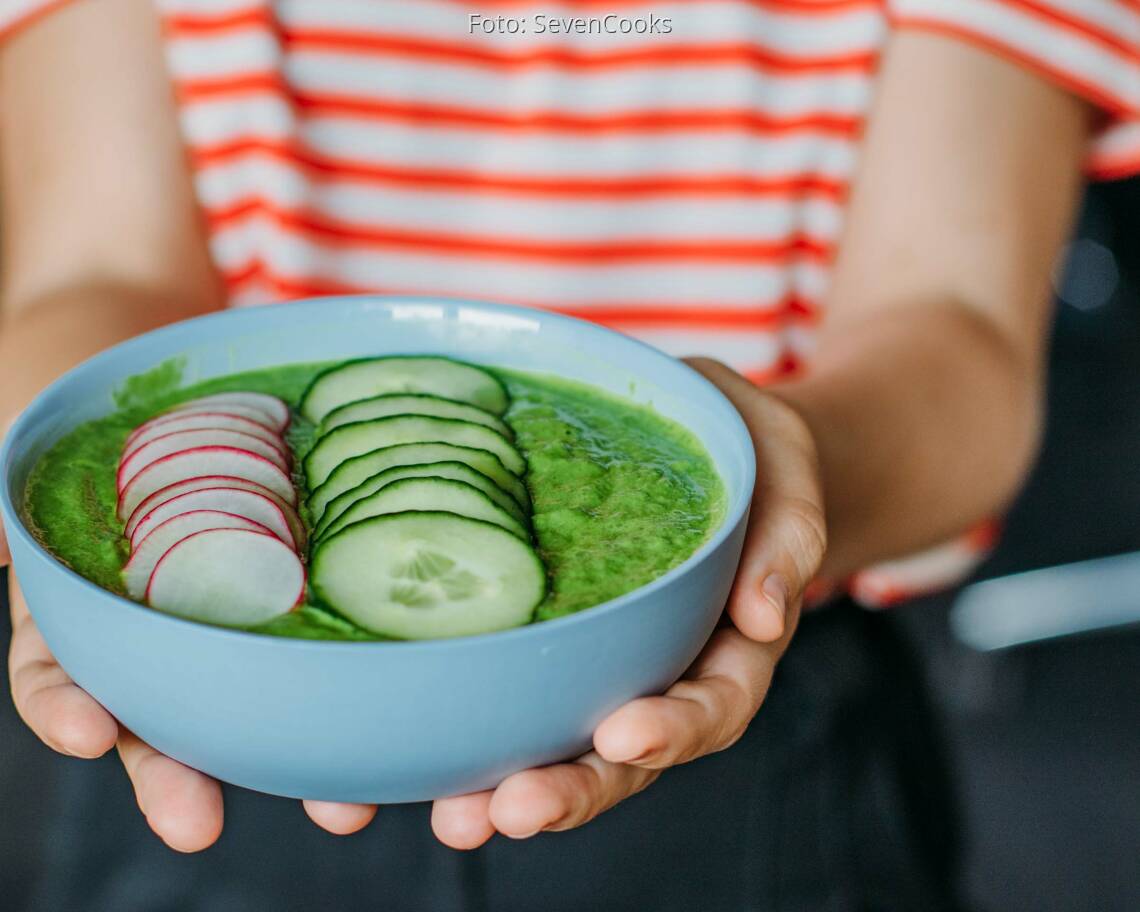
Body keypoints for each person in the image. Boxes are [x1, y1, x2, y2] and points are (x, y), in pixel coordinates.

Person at [1, 1, 1137, 909]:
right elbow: (97, 272)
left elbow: (957, 334)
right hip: (204, 700)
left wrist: (789, 471)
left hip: (743, 690)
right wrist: (106, 529)